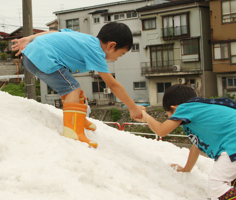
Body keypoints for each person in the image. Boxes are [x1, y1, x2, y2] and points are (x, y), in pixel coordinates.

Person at [11, 22, 144, 148]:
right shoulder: (97, 52)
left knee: (74, 90)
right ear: (111, 46)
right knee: (73, 88)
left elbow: (55, 32)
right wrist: (133, 107)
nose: (116, 59)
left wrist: (29, 38)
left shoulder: (86, 39)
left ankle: (79, 119)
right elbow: (113, 85)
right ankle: (73, 130)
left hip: (32, 54)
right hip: (42, 58)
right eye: (120, 54)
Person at [135, 84, 236, 200]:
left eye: (169, 114)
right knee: (231, 179)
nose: (171, 119)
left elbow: (162, 131)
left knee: (216, 185)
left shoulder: (185, 108)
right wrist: (186, 170)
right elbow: (196, 147)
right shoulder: (201, 111)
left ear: (174, 108)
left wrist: (146, 117)